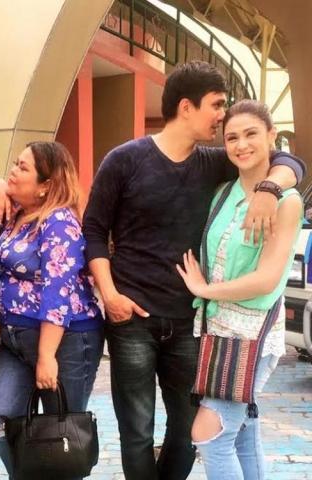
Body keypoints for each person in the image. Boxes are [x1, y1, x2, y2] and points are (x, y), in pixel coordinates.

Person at [82, 61, 305, 480]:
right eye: (216, 105)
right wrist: (110, 295)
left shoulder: (216, 163)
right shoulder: (124, 160)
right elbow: (93, 230)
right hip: (131, 318)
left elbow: (286, 159)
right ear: (187, 107)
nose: (223, 117)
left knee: (188, 432)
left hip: (192, 322)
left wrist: (270, 188)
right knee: (136, 431)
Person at [176, 100, 303, 479]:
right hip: (216, 330)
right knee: (243, 434)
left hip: (252, 333)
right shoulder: (222, 193)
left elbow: (267, 279)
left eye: (251, 134)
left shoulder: (288, 202)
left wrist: (204, 289)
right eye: (232, 137)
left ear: (271, 136)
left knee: (210, 434)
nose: (241, 144)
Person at [0, 141, 103, 479]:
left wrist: (47, 355)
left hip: (66, 342)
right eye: (15, 163)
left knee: (62, 433)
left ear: (46, 185)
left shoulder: (59, 221)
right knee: (1, 418)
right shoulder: (18, 214)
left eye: (23, 168)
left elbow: (57, 292)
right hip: (14, 340)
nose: (12, 172)